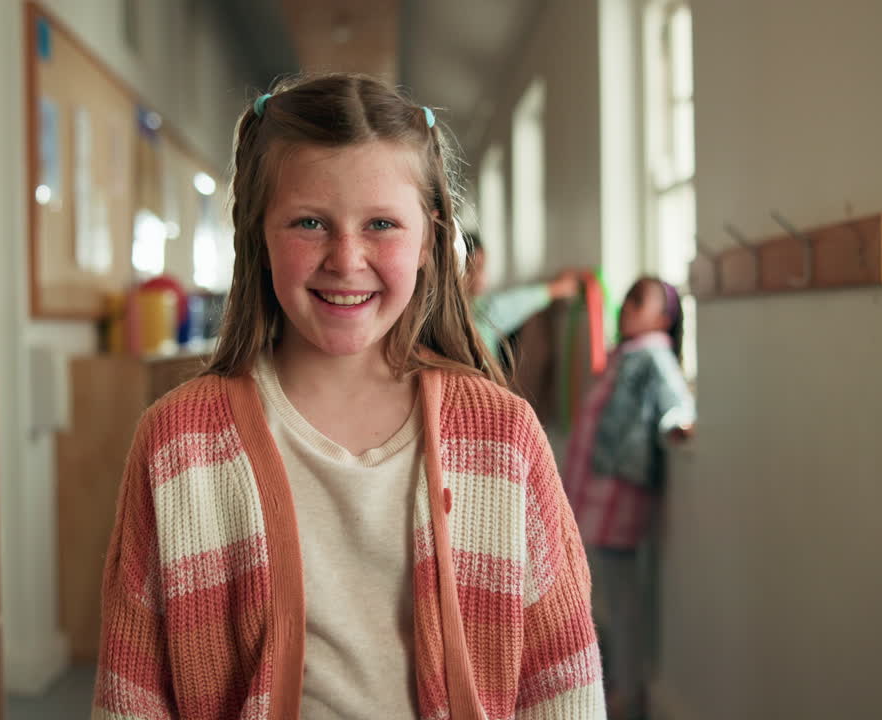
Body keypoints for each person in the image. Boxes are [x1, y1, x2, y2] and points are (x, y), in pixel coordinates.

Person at [93, 73, 606, 720]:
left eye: (382, 224)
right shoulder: (179, 442)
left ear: (429, 240)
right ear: (258, 234)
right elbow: (132, 693)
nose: (346, 258)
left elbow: (563, 682)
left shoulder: (503, 436)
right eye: (309, 222)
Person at [561, 276, 695, 720]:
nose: (626, 307)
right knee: (605, 599)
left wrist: (678, 425)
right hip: (597, 498)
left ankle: (628, 696)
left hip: (618, 501)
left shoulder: (654, 358)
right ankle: (613, 684)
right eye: (629, 298)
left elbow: (675, 404)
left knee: (622, 603)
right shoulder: (626, 356)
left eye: (639, 301)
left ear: (663, 318)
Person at [464, 232, 582, 355]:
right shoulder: (479, 312)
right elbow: (509, 305)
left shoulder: (480, 307)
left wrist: (556, 288)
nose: (479, 275)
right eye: (472, 266)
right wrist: (557, 289)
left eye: (482, 267)